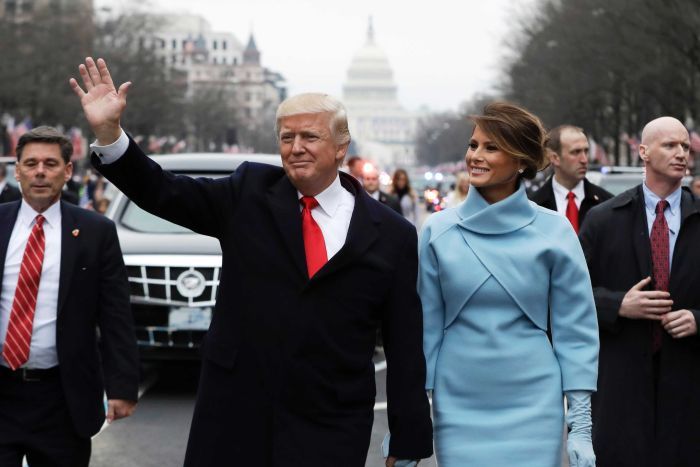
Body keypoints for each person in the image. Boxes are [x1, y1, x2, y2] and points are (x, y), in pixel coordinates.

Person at [70, 57, 432, 467]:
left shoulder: (393, 234)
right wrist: (110, 133)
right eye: (286, 137)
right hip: (235, 415)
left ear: (341, 147)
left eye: (309, 137)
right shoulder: (247, 194)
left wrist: (408, 439)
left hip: (329, 422)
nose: (296, 148)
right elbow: (161, 191)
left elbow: (403, 344)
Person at [419, 102, 599, 467]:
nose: (475, 156)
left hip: (535, 403)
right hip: (458, 403)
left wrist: (580, 426)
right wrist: (411, 418)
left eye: (491, 147)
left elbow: (575, 330)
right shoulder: (437, 231)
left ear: (520, 160)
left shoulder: (556, 231)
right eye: (473, 145)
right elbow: (425, 330)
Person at [0, 126, 138, 466]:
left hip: (63, 397)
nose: (40, 172)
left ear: (67, 170)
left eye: (50, 163)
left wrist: (121, 387)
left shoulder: (96, 232)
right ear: (17, 170)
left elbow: (115, 312)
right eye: (31, 164)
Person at [580, 116, 700, 467]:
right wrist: (619, 305)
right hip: (621, 384)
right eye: (670, 145)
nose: (681, 153)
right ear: (643, 152)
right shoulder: (604, 220)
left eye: (684, 146)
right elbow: (568, 297)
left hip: (689, 385)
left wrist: (697, 319)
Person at [530, 125, 612, 232]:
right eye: (576, 152)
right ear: (554, 158)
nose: (584, 159)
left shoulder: (607, 203)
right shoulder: (533, 206)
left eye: (586, 151)